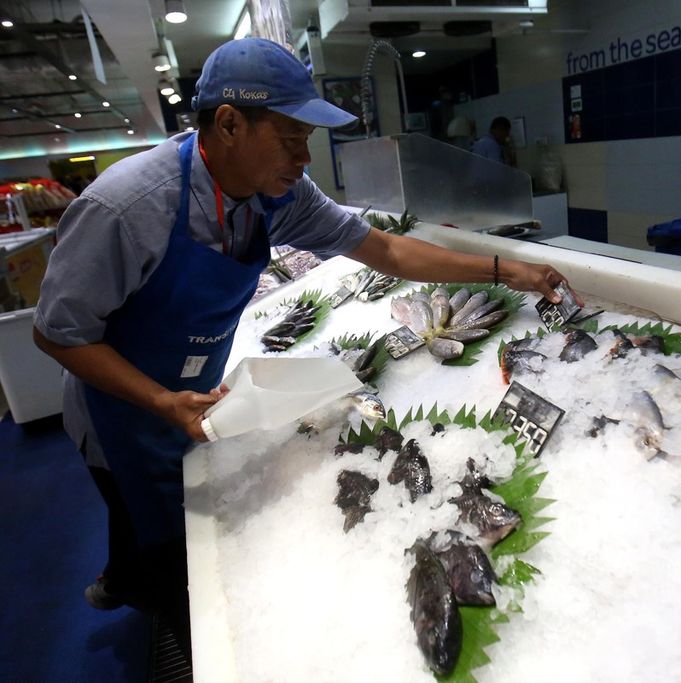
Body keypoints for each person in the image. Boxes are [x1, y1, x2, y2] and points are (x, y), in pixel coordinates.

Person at [32, 37, 577, 656]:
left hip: (197, 397)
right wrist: (159, 400)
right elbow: (58, 333)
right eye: (292, 138)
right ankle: (144, 594)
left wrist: (507, 270)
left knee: (158, 524)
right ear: (231, 124)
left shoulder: (280, 193)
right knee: (158, 541)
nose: (304, 156)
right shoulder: (125, 208)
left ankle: (121, 575)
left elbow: (389, 251)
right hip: (121, 409)